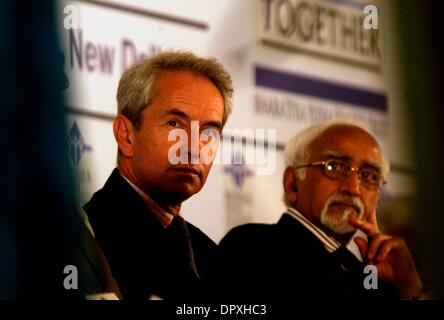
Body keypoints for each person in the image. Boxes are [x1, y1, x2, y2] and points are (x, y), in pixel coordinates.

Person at [83, 51, 233, 300]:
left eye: (208, 132)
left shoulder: (213, 258)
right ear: (126, 135)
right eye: (175, 124)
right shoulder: (84, 242)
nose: (194, 148)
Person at [219, 119, 424, 300]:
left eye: (369, 176)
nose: (353, 188)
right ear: (293, 184)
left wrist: (407, 289)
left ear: (378, 196)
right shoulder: (254, 245)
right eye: (334, 167)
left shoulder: (368, 273)